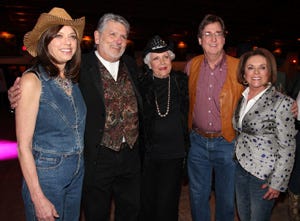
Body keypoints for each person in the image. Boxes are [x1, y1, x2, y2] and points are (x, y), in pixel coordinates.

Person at [9, 13, 142, 221]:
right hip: (82, 163)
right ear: (97, 37)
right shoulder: (79, 69)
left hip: (103, 164)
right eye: (112, 34)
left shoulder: (74, 74)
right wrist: (16, 97)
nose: (118, 40)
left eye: (72, 36)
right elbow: (23, 141)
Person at [15, 7, 86, 221]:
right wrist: (38, 198)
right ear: (45, 41)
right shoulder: (32, 80)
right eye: (59, 35)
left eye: (72, 36)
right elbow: (23, 146)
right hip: (48, 173)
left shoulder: (72, 80)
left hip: (77, 169)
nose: (68, 42)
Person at [184, 14, 244, 221]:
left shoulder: (239, 67)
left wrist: (288, 105)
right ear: (200, 40)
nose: (213, 39)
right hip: (197, 142)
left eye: (218, 34)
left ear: (224, 39)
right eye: (208, 34)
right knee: (197, 196)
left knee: (226, 199)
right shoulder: (191, 66)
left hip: (227, 142)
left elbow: (260, 89)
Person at [233, 47, 297, 221]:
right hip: (240, 168)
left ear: (270, 72)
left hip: (264, 175)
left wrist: (278, 182)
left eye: (262, 67)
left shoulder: (282, 103)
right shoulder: (243, 98)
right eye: (250, 67)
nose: (256, 72)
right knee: (244, 217)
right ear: (244, 72)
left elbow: (288, 147)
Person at [138, 35, 189, 221]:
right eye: (156, 58)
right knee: (147, 204)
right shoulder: (141, 85)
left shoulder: (182, 82)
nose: (162, 62)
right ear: (149, 63)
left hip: (174, 155)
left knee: (167, 206)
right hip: (149, 156)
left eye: (165, 57)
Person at [286, 67, 300, 221]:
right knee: (297, 169)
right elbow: (290, 94)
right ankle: (294, 204)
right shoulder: (298, 76)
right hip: (298, 129)